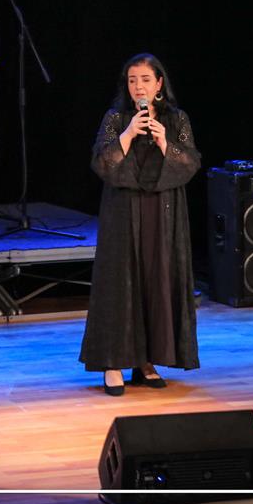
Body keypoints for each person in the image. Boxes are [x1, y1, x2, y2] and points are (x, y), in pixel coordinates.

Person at [80, 53, 201, 395]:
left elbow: (190, 163)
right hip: (124, 211)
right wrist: (128, 134)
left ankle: (146, 361)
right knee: (121, 285)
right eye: (132, 80)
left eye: (145, 79)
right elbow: (102, 163)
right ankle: (113, 364)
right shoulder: (116, 118)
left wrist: (164, 143)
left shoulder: (176, 119)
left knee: (156, 283)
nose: (139, 86)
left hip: (163, 212)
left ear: (159, 83)